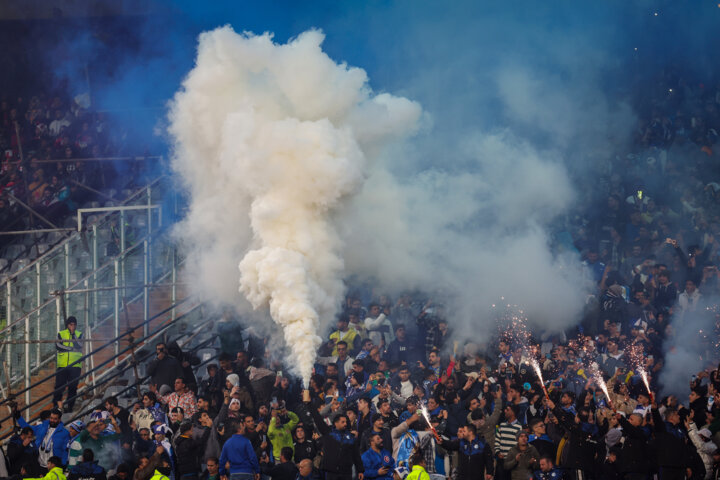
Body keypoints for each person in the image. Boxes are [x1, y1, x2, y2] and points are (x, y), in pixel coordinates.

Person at [309, 403, 364, 480]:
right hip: (331, 473)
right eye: (342, 422)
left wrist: (360, 470)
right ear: (336, 423)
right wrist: (309, 404)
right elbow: (318, 419)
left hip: (346, 473)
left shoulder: (351, 438)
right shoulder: (328, 433)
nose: (345, 424)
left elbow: (356, 455)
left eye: (346, 422)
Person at [54, 316, 83, 411]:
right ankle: (57, 406)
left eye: (74, 324)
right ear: (67, 325)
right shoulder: (61, 334)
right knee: (59, 386)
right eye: (71, 324)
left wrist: (73, 334)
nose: (73, 326)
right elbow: (58, 346)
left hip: (75, 365)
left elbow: (79, 345)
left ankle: (69, 407)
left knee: (73, 387)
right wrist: (70, 349)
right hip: (62, 365)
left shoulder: (79, 334)